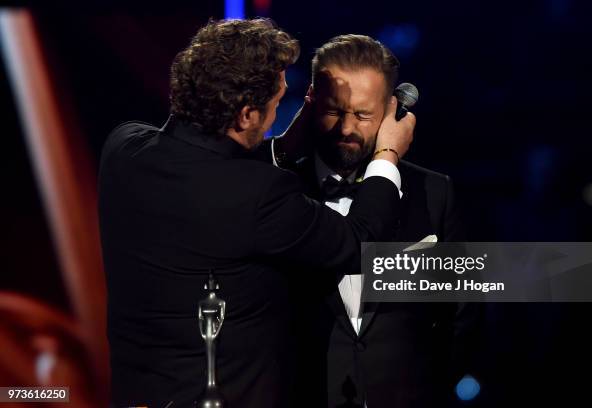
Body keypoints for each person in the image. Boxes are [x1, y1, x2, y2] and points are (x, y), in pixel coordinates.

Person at [97, 20, 415, 407]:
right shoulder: (260, 195)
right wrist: (387, 155)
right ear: (247, 115)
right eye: (277, 103)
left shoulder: (123, 149)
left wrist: (283, 145)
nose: (278, 111)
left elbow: (213, 173)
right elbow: (358, 241)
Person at [273, 34, 481, 407]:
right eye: (334, 111)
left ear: (392, 112)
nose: (347, 128)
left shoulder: (434, 193)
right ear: (311, 103)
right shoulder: (277, 191)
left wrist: (429, 390)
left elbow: (462, 312)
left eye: (364, 115)